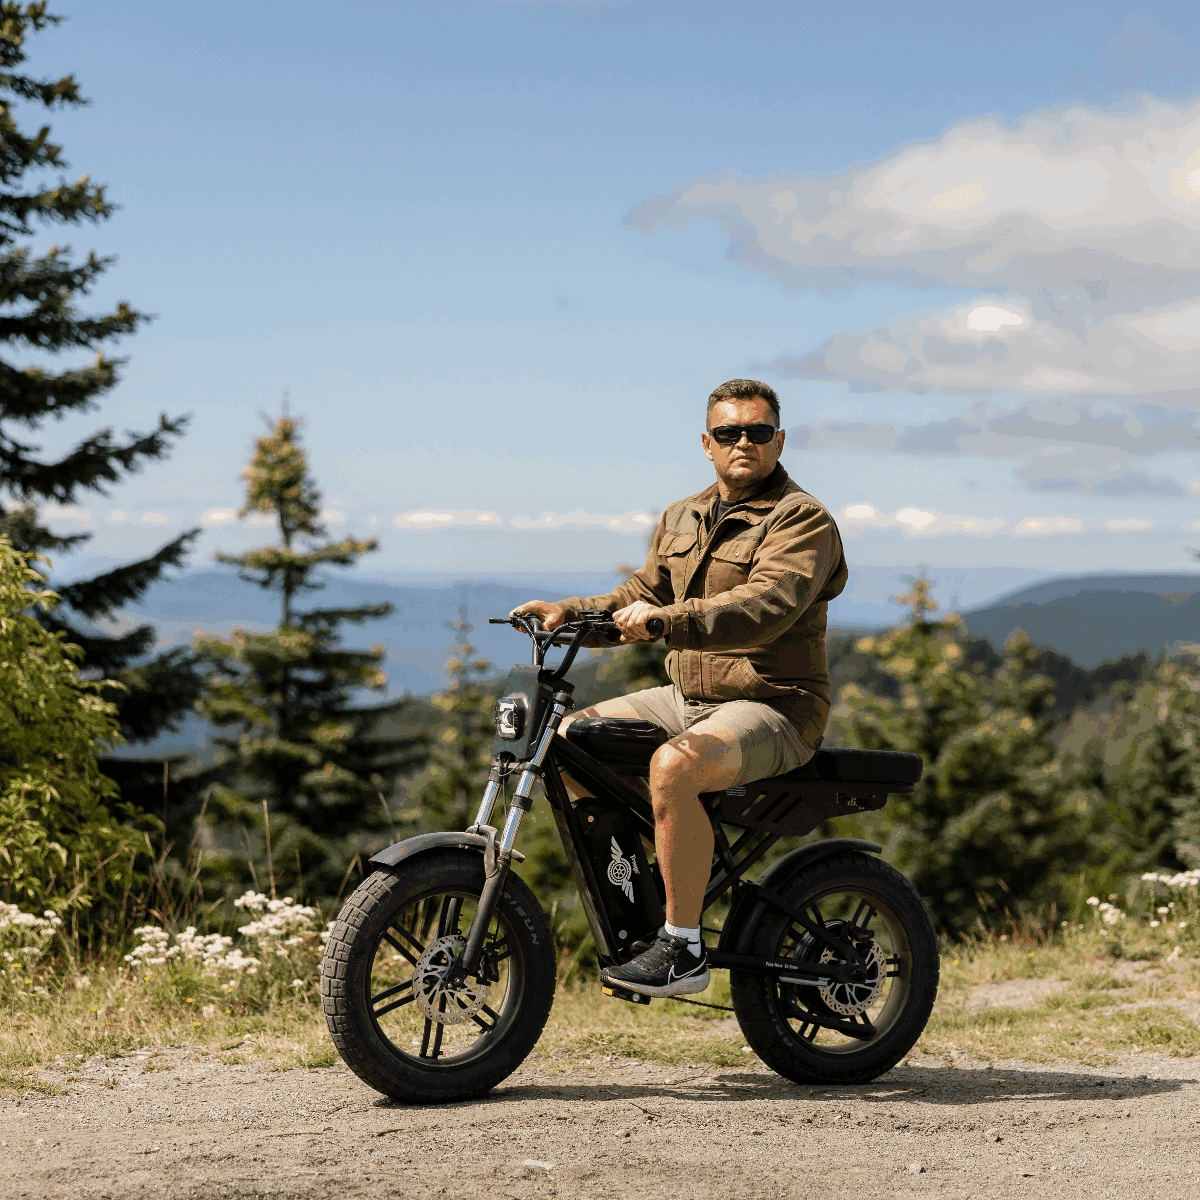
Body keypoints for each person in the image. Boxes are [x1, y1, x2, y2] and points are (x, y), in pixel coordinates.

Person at [510, 379, 847, 997]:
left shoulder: (802, 519)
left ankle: (683, 948)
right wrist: (570, 611)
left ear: (779, 440)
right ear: (706, 442)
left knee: (673, 767)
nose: (743, 442)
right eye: (728, 432)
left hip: (775, 703)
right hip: (687, 700)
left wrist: (673, 620)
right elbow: (639, 596)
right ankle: (649, 885)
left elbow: (769, 604)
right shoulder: (682, 516)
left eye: (757, 431)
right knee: (567, 741)